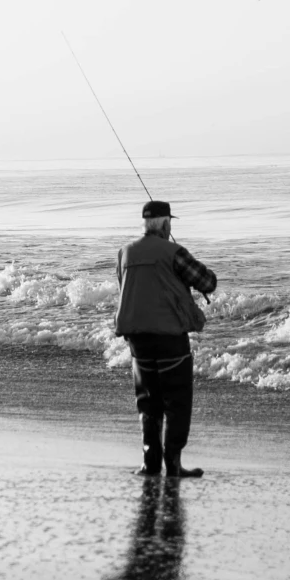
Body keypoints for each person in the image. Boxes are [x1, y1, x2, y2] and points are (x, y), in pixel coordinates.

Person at [113, 199, 217, 478]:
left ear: (145, 224)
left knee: (148, 402)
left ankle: (149, 464)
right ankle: (173, 465)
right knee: (177, 402)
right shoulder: (174, 253)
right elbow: (208, 282)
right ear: (166, 224)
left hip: (137, 340)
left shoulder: (124, 253)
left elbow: (125, 290)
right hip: (170, 338)